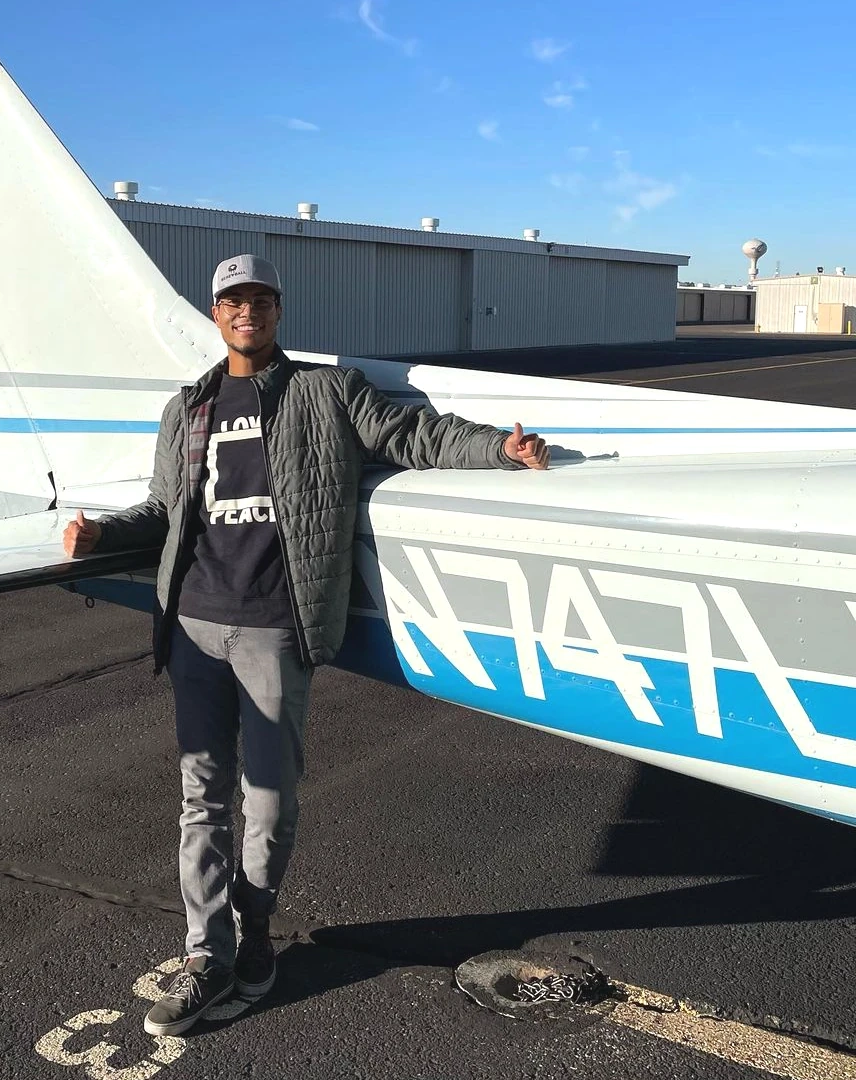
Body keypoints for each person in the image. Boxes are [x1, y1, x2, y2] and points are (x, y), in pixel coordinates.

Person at [62, 254, 548, 1036]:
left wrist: (498, 449)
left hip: (272, 629)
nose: (244, 311)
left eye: (257, 299)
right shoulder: (188, 406)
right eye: (231, 300)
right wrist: (99, 535)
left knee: (271, 801)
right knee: (200, 798)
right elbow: (163, 508)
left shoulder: (325, 391)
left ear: (277, 310)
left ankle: (255, 935)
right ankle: (205, 956)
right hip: (192, 625)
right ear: (214, 313)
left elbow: (412, 435)